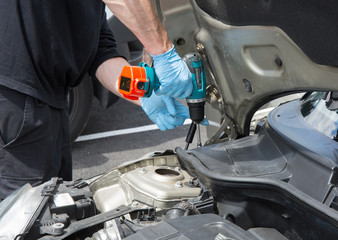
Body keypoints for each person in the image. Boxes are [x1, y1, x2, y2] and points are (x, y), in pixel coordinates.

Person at [0, 0, 193, 200]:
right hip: (14, 95)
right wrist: (162, 50)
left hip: (49, 101)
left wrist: (145, 95)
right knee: (28, 214)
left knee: (58, 204)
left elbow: (101, 53)